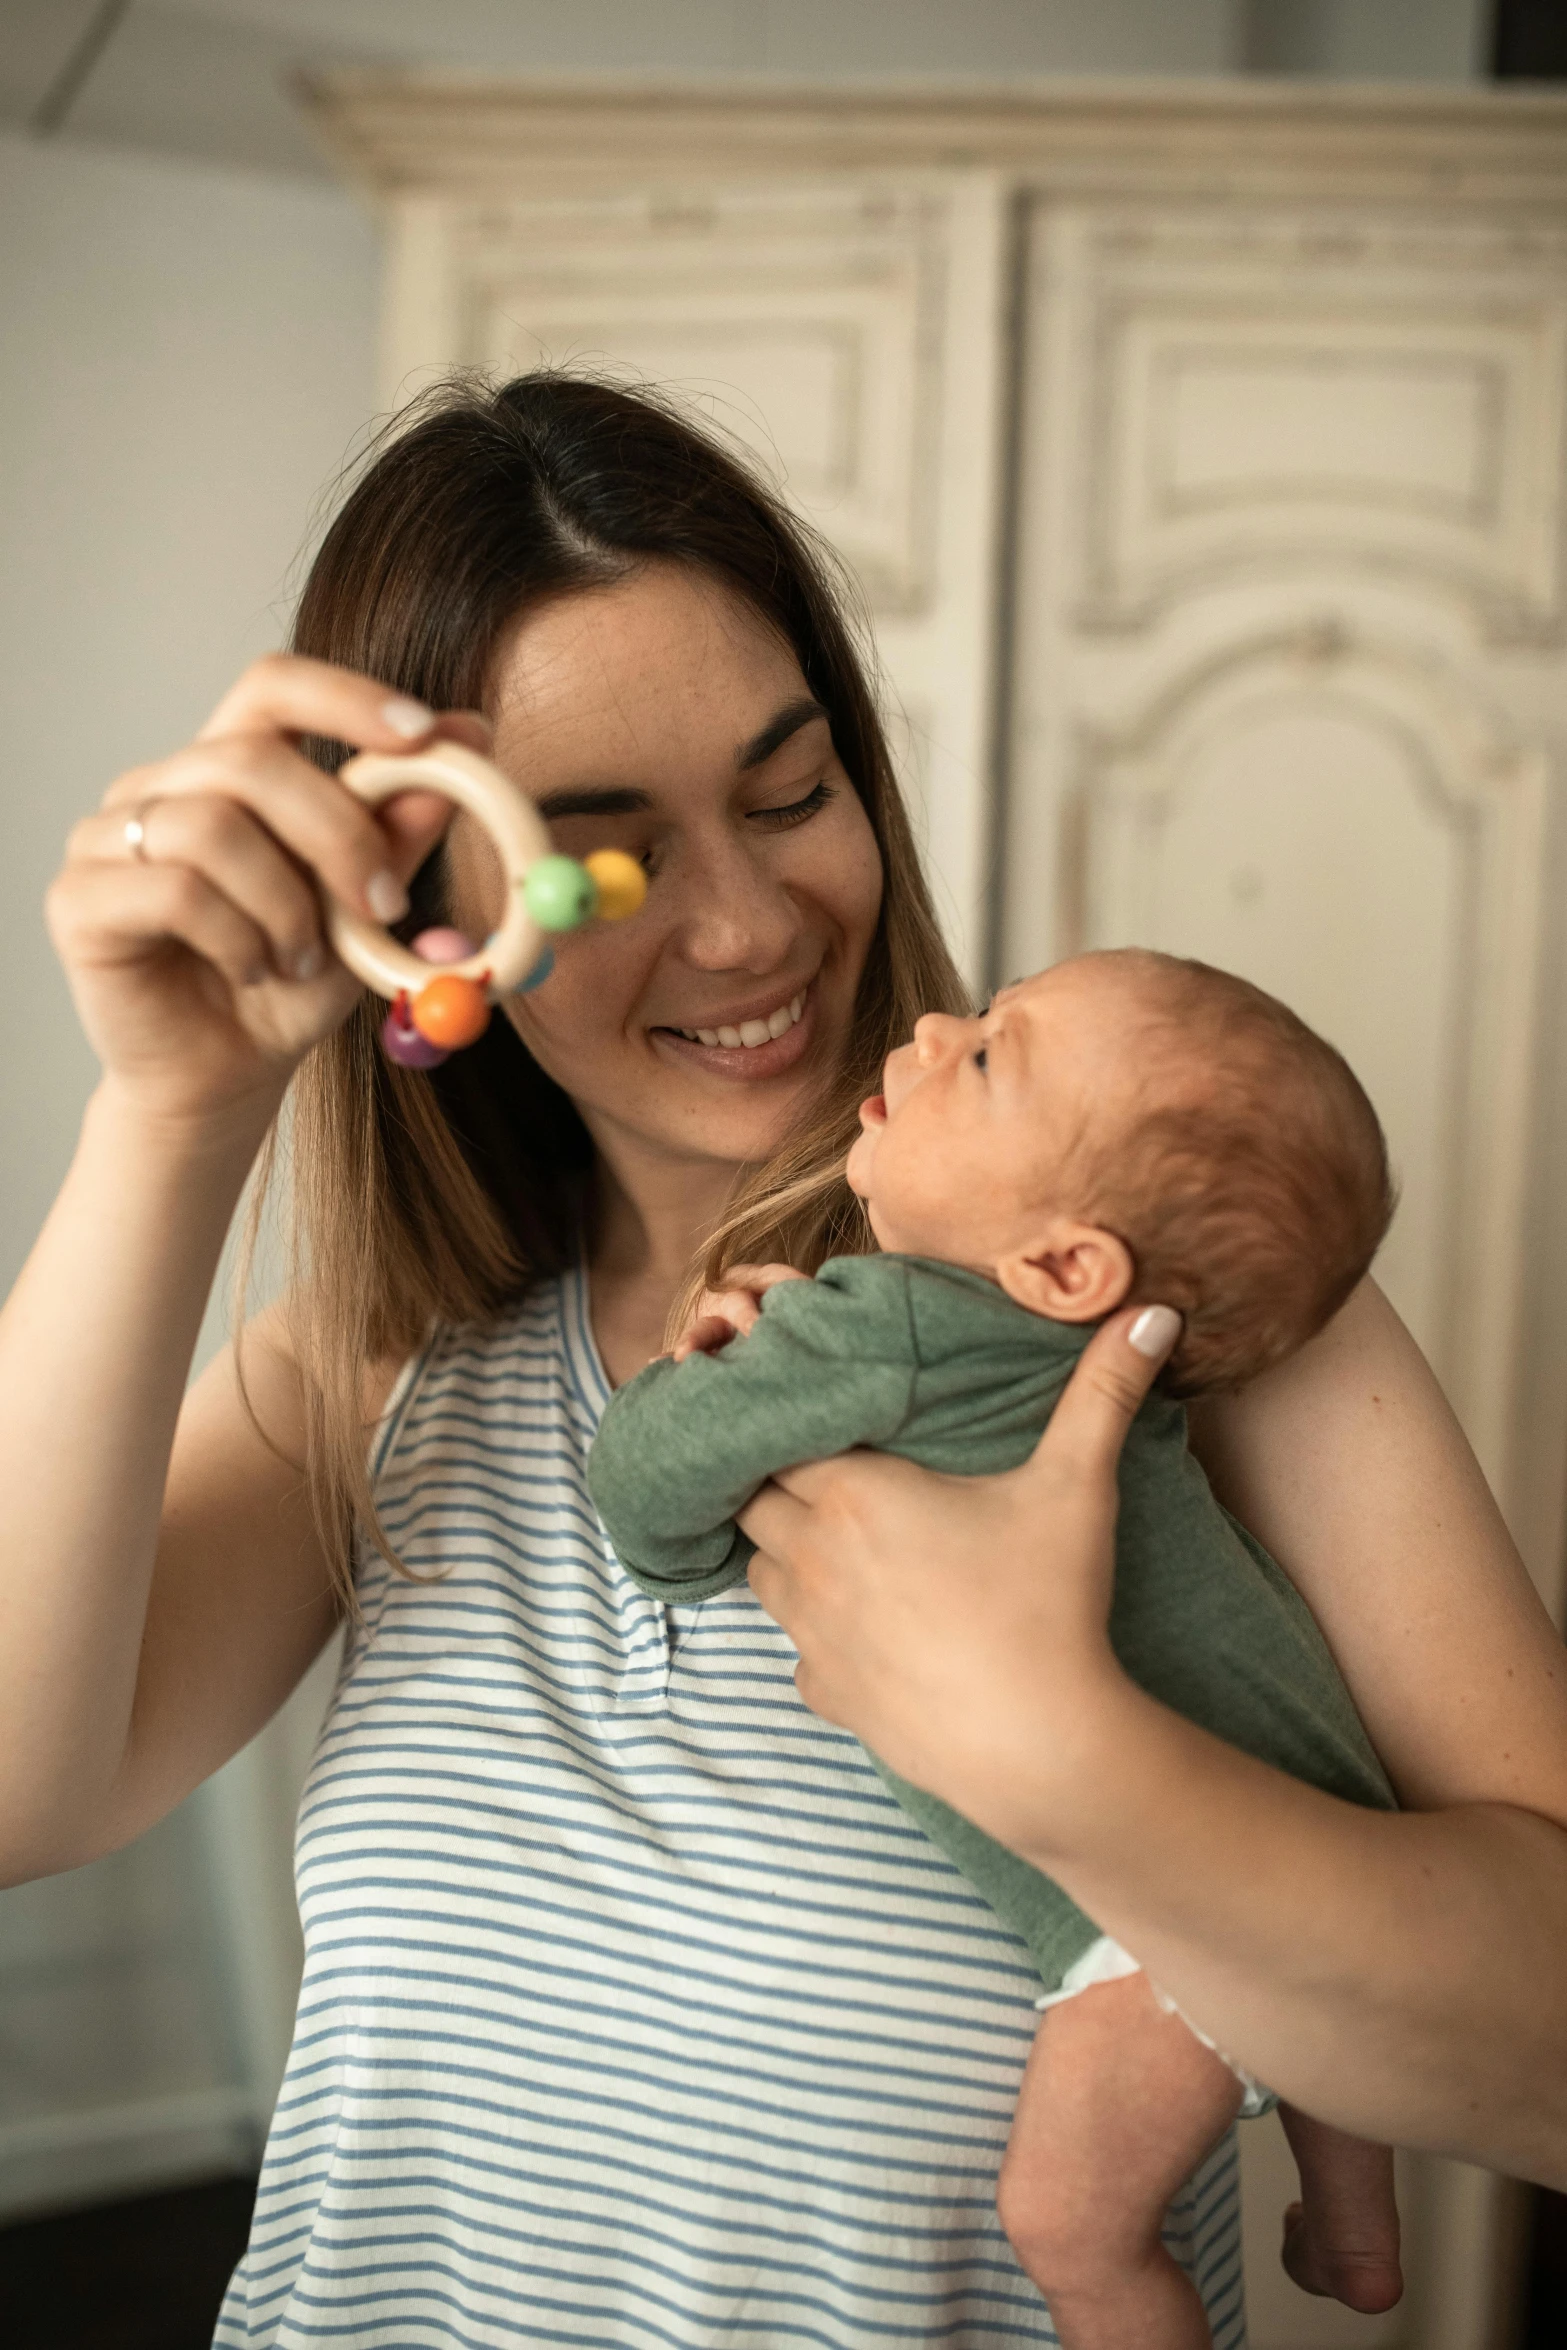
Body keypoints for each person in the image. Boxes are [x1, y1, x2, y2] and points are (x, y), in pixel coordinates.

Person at [1, 376, 1563, 2348]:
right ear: (424, 913)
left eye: (789, 790)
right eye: (611, 853)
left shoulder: (1138, 1301)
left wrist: (1069, 1756)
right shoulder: (376, 1367)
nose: (749, 925)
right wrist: (170, 1103)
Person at [588, 948, 1407, 2347]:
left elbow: (650, 1501)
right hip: (1331, 1811)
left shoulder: (890, 1321)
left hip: (1149, 1926)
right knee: (1332, 2047)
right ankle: (1354, 2231)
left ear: (1061, 1264)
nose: (929, 1027)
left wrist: (698, 1377)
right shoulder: (1096, 1363)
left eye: (983, 1056)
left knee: (1071, 2232)